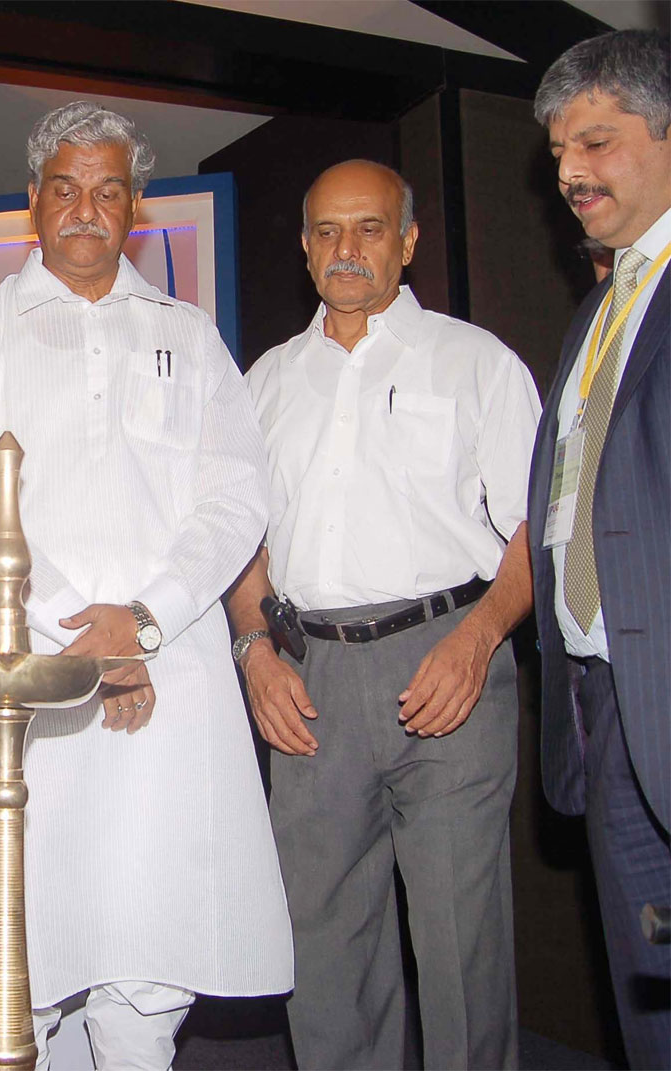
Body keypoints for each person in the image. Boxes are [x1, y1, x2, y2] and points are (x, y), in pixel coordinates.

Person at [0, 101, 292, 1069]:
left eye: (109, 190)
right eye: (66, 187)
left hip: (172, 677)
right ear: (34, 202)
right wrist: (78, 637)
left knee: (150, 960)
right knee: (21, 949)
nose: (86, 208)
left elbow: (235, 492)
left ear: (136, 209)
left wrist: (147, 622)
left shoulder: (190, 335)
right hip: (16, 675)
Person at [227, 159, 540, 1069]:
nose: (346, 249)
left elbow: (534, 530)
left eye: (368, 229)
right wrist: (254, 649)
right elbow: (239, 541)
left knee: (460, 945)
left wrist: (478, 640)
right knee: (324, 954)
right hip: (308, 677)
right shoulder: (266, 380)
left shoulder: (476, 361)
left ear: (406, 242)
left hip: (448, 661)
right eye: (326, 232)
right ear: (303, 249)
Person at [529, 29, 670, 1070]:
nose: (572, 171)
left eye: (598, 143)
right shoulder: (597, 315)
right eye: (558, 154)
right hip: (611, 709)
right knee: (650, 1012)